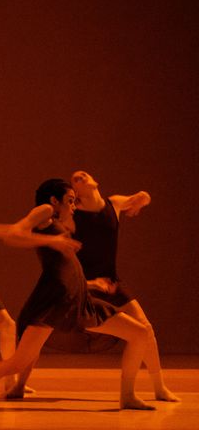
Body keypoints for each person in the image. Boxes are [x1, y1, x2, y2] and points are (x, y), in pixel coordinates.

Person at [0, 179, 154, 411]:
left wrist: (91, 284)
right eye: (70, 201)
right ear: (54, 200)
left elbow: (65, 267)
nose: (74, 206)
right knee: (16, 363)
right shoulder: (45, 211)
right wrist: (52, 240)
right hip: (55, 299)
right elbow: (14, 234)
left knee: (139, 332)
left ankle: (128, 395)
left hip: (77, 299)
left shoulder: (56, 220)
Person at [71, 170, 179, 402]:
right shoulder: (74, 214)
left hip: (111, 281)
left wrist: (140, 201)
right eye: (75, 178)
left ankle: (159, 387)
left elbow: (143, 197)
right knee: (41, 329)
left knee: (145, 328)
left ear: (95, 181)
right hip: (86, 285)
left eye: (84, 174)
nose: (80, 176)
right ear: (75, 192)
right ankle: (19, 384)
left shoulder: (115, 204)